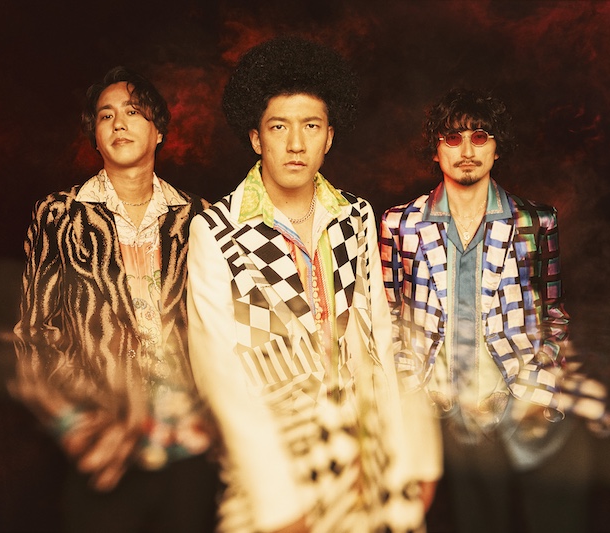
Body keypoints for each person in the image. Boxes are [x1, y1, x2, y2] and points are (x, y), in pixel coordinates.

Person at [186, 36, 441, 533]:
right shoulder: (216, 230)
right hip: (275, 466)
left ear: (329, 137)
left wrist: (409, 454)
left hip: (367, 462)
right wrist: (278, 501)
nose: (296, 144)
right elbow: (219, 376)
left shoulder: (355, 215)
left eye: (311, 126)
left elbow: (381, 339)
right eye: (279, 126)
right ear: (256, 138)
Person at [380, 88, 610, 533]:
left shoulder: (535, 221)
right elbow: (391, 315)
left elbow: (553, 313)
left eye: (480, 136)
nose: (467, 151)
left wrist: (540, 386)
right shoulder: (401, 224)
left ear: (496, 147)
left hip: (523, 404)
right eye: (453, 138)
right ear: (435, 149)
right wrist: (410, 390)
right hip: (450, 416)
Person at [9, 66, 220, 532]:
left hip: (189, 445)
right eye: (106, 115)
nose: (119, 123)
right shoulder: (59, 215)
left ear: (159, 131)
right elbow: (36, 333)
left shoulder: (200, 218)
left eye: (134, 112)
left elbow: (221, 328)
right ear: (95, 136)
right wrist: (78, 424)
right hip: (104, 445)